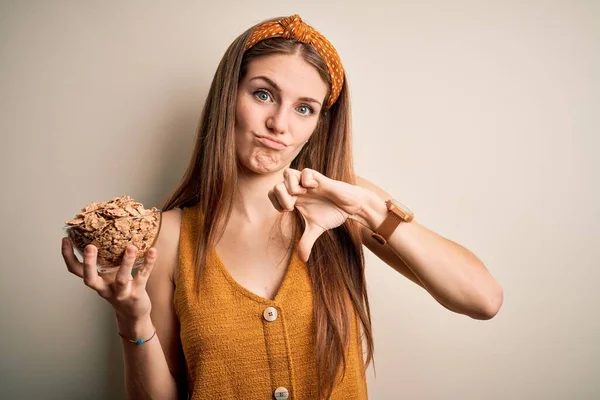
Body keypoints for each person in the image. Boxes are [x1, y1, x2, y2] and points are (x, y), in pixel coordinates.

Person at [62, 14, 503, 400]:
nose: (280, 125)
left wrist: (369, 207)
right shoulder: (171, 235)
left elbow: (483, 300)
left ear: (318, 125)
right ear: (227, 98)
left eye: (305, 108)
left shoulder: (344, 200)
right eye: (263, 94)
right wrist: (133, 321)